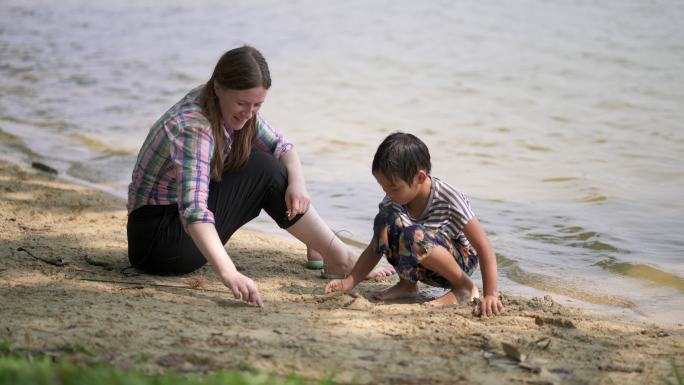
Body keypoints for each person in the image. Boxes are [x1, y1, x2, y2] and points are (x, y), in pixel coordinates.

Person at [126, 45, 393, 308]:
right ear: (218, 87)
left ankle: (329, 250)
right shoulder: (194, 127)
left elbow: (283, 147)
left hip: (172, 229)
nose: (249, 112)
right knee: (263, 169)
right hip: (159, 245)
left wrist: (299, 186)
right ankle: (338, 256)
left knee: (266, 161)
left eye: (258, 104)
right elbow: (194, 211)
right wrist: (230, 273)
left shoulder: (225, 105)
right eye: (242, 103)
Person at [325, 132, 504, 316]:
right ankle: (407, 286)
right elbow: (374, 248)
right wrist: (350, 282)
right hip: (422, 260)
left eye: (393, 187)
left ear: (420, 177)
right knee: (384, 220)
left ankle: (464, 288)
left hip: (458, 263)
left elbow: (484, 247)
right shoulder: (393, 200)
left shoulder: (448, 197)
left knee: (413, 235)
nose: (388, 193)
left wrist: (491, 294)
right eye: (383, 187)